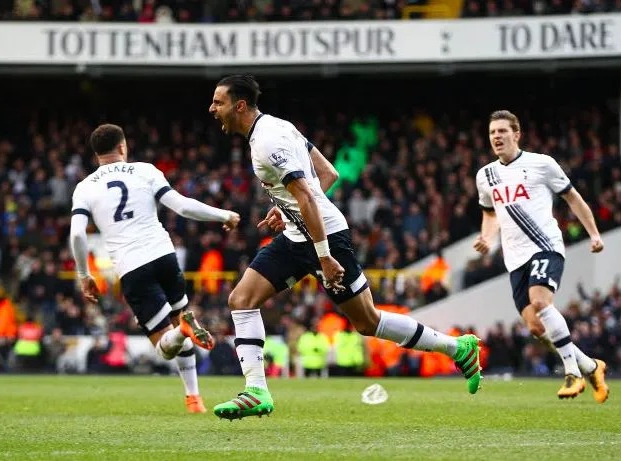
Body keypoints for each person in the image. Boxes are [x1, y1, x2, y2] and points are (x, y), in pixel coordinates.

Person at [208, 74, 483, 420]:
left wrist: (324, 255)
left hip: (326, 238)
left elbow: (308, 194)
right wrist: (287, 208)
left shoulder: (266, 143)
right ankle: (256, 390)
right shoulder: (281, 127)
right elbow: (328, 174)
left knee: (367, 322)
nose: (212, 108)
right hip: (298, 235)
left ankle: (457, 348)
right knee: (241, 300)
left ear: (240, 105)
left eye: (218, 102)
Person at [69, 124, 241, 413]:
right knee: (179, 324)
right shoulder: (145, 171)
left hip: (132, 268)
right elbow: (183, 207)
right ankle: (193, 398)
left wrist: (83, 275)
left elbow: (76, 235)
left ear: (96, 153)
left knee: (164, 346)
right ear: (122, 147)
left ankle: (185, 332)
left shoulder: (85, 188)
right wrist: (224, 214)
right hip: (165, 257)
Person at [473, 110, 609, 402]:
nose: (496, 136)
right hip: (515, 258)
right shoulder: (485, 176)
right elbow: (490, 214)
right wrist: (487, 236)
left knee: (540, 300)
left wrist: (594, 234)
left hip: (545, 245)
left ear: (516, 134)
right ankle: (590, 365)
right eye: (492, 132)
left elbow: (572, 197)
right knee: (536, 326)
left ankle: (572, 372)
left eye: (502, 131)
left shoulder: (542, 164)